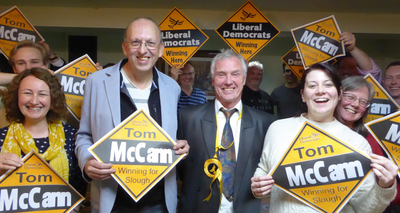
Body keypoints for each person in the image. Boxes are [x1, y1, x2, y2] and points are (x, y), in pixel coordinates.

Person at [75, 17, 189, 213]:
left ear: (160, 49)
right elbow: (84, 135)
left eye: (150, 43)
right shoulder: (96, 82)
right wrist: (86, 161)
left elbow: (170, 138)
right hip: (112, 201)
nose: (143, 50)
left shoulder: (173, 88)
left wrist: (181, 147)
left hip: (159, 203)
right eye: (136, 42)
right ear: (125, 47)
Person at [251, 63, 397, 212]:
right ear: (302, 94)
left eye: (328, 85)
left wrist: (385, 186)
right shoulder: (278, 129)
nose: (320, 91)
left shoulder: (357, 143)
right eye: (312, 86)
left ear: (339, 93)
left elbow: (365, 208)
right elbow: (264, 169)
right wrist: (259, 187)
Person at [178, 49, 275, 213]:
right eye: (221, 74)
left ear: (244, 79)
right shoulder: (187, 118)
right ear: (213, 80)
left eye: (235, 74)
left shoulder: (265, 123)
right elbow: (179, 171)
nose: (228, 81)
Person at [0, 67, 87, 204]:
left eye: (42, 94)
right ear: (17, 96)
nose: (34, 101)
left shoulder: (72, 136)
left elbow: (79, 186)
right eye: (27, 93)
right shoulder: (1, 137)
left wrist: (74, 206)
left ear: (53, 98)